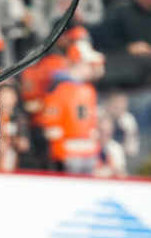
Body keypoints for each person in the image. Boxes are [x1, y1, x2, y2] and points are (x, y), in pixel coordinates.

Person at [37, 39, 105, 174]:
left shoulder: (88, 89)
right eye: (88, 64)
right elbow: (51, 126)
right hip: (67, 152)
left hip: (87, 151)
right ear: (78, 63)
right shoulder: (59, 88)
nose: (92, 68)